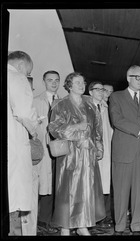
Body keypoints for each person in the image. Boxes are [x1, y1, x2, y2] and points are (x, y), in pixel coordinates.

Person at [48, 72, 106, 236]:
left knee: (87, 190)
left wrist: (99, 147)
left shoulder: (90, 105)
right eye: (78, 82)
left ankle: (82, 224)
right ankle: (66, 227)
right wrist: (76, 129)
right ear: (69, 85)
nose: (82, 85)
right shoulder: (61, 104)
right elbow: (54, 129)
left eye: (83, 82)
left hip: (88, 154)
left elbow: (97, 130)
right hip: (70, 155)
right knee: (68, 191)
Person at [109, 65, 140, 235]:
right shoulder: (116, 96)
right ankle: (119, 226)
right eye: (138, 77)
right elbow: (117, 120)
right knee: (121, 192)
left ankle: (136, 225)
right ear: (128, 77)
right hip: (123, 152)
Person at [7, 50, 38, 235]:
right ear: (20, 65)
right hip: (13, 146)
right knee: (15, 199)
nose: (27, 76)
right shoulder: (16, 77)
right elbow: (25, 113)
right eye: (28, 72)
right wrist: (34, 130)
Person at [32, 70, 60, 235]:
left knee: (57, 185)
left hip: (59, 149)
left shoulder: (64, 102)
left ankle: (53, 219)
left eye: (56, 80)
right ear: (44, 81)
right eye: (50, 80)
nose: (54, 83)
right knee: (43, 184)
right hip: (43, 149)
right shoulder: (36, 102)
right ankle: (42, 220)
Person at [88, 81, 114, 228]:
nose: (100, 92)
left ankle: (102, 216)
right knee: (90, 184)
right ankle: (89, 217)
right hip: (90, 149)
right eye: (96, 89)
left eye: (102, 89)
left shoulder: (106, 108)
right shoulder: (86, 106)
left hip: (106, 149)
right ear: (90, 92)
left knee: (104, 184)